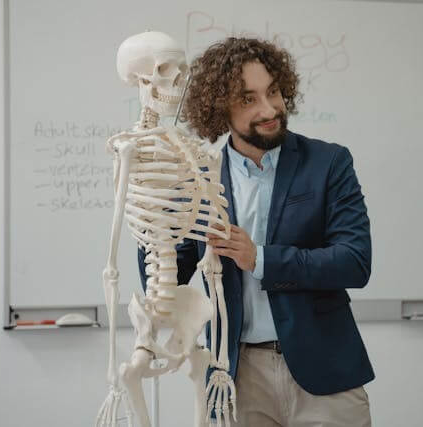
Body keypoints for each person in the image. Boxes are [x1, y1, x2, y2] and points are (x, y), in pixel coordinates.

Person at [139, 37, 374, 427]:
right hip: (236, 377)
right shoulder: (198, 177)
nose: (269, 109)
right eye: (248, 99)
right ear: (219, 110)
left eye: (274, 92)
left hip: (326, 374)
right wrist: (153, 214)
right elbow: (168, 273)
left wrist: (260, 258)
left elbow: (354, 261)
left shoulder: (329, 162)